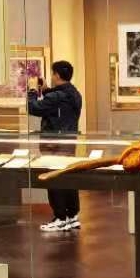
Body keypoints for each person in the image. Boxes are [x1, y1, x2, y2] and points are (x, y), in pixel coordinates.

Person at [27, 60, 83, 232]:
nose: (51, 77)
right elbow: (58, 100)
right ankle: (72, 216)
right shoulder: (74, 93)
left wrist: (32, 90)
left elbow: (33, 107)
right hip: (68, 144)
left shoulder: (57, 97)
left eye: (52, 73)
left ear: (57, 75)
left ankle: (60, 217)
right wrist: (45, 90)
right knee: (68, 178)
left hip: (53, 145)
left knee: (54, 179)